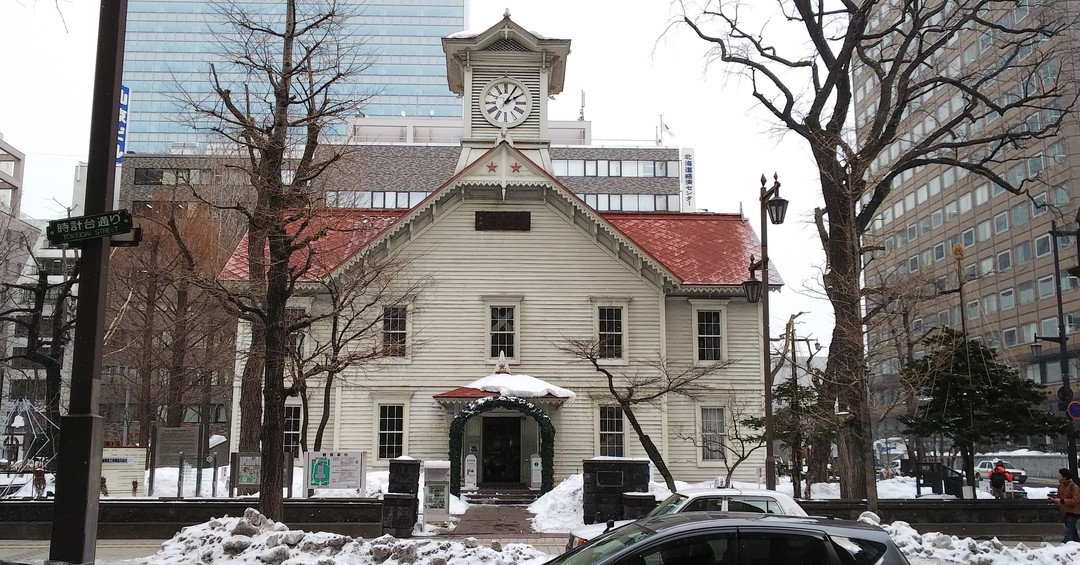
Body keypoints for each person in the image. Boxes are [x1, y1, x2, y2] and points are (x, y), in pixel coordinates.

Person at [1051, 468, 1080, 544]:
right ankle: (1077, 543)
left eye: (1060, 475)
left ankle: (1064, 544)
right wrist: (1054, 499)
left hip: (1074, 511)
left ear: (1064, 477)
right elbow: (1059, 497)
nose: (1058, 476)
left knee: (1069, 531)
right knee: (1072, 531)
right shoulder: (1061, 486)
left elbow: (1076, 501)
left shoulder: (1073, 487)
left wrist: (1061, 501)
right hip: (1065, 511)